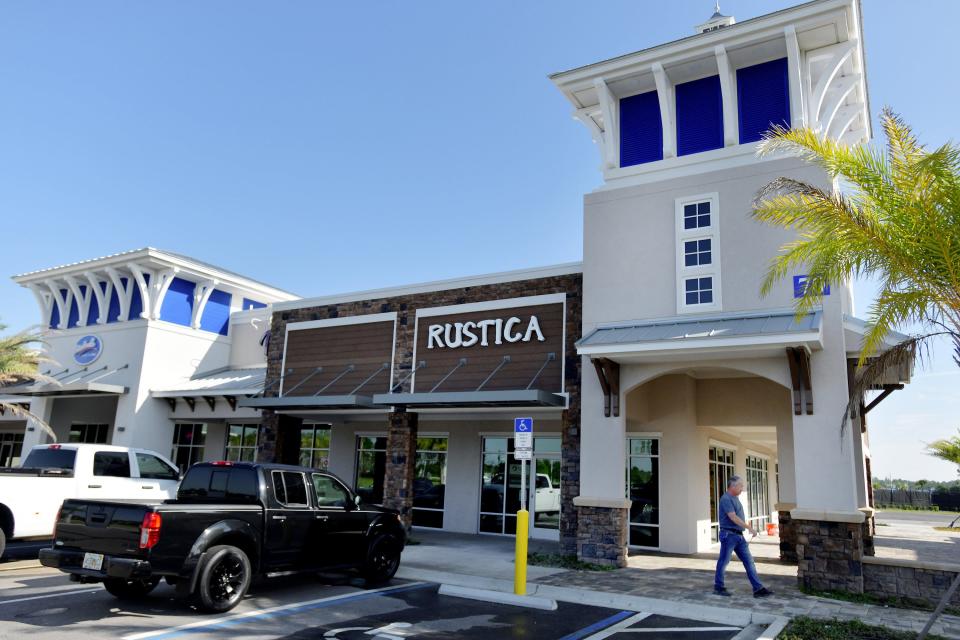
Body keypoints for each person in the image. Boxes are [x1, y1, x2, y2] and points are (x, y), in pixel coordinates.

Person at [713, 475, 773, 598]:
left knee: (749, 561)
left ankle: (758, 589)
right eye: (740, 485)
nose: (742, 488)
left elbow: (737, 518)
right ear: (733, 486)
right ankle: (718, 587)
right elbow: (733, 517)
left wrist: (745, 528)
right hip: (729, 535)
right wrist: (749, 528)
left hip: (738, 537)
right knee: (724, 561)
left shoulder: (735, 498)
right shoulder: (726, 499)